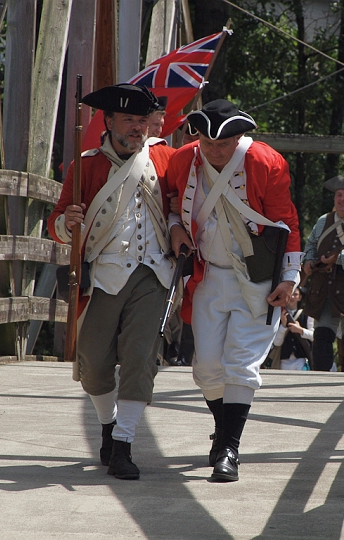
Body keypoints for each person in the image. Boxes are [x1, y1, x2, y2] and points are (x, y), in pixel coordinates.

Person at [166, 99, 302, 482]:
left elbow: (285, 220)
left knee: (240, 364)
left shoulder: (265, 162)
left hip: (256, 278)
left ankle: (229, 448)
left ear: (239, 137)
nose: (214, 151)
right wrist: (176, 227)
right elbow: (171, 207)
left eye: (223, 145)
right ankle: (223, 431)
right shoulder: (183, 160)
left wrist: (289, 278)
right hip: (208, 276)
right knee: (207, 369)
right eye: (207, 144)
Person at [47, 83, 176, 480]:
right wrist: (67, 224)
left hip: (154, 272)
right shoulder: (84, 164)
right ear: (109, 122)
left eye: (143, 120)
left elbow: (185, 204)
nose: (138, 128)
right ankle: (108, 426)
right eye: (129, 120)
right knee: (93, 362)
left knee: (140, 358)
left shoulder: (166, 158)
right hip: (103, 274)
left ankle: (123, 444)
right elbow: (57, 227)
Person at [303, 175, 344, 372]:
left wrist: (337, 259)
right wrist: (308, 260)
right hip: (323, 289)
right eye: (339, 195)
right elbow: (311, 245)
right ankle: (319, 382)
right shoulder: (324, 220)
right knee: (322, 337)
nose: (342, 199)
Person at [272, 286, 313, 370]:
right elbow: (276, 343)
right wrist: (283, 326)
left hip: (301, 359)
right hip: (284, 360)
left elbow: (314, 336)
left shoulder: (306, 315)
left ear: (300, 297)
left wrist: (300, 330)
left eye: (295, 294)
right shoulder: (278, 315)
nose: (292, 297)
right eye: (290, 294)